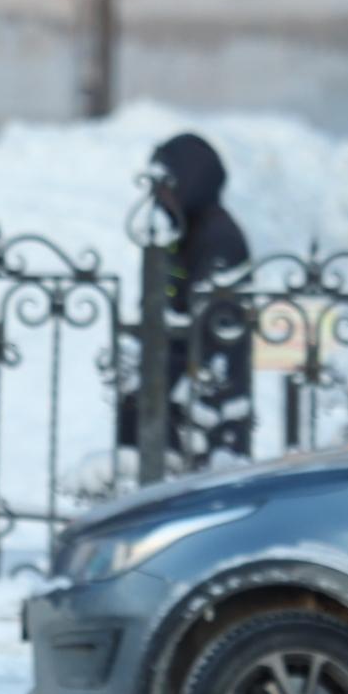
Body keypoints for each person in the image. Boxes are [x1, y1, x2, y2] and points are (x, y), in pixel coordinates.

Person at [119, 132, 253, 462]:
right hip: (177, 375)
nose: (161, 196)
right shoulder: (184, 230)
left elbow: (214, 324)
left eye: (167, 185)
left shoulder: (217, 236)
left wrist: (174, 370)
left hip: (206, 391)